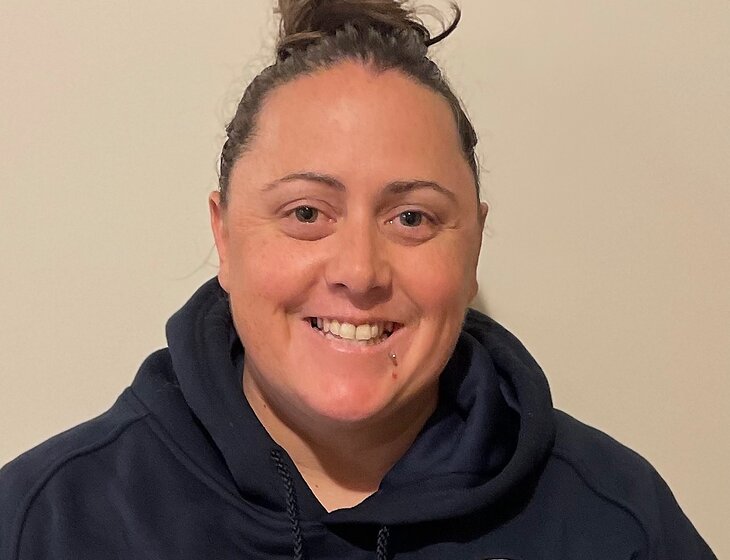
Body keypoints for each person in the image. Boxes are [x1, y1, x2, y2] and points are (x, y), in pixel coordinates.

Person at [0, 1, 717, 558]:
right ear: (224, 235)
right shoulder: (49, 520)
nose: (359, 272)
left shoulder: (616, 520)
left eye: (412, 218)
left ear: (473, 245)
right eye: (306, 213)